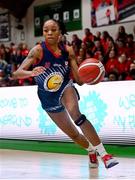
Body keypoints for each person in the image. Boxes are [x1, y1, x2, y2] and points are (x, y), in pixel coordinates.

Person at [12, 19, 119, 169]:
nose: (49, 33)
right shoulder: (38, 50)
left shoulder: (67, 51)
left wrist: (91, 72)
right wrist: (31, 72)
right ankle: (90, 150)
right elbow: (16, 73)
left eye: (53, 29)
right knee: (74, 135)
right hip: (48, 98)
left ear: (60, 32)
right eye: (45, 30)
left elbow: (79, 82)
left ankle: (105, 155)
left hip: (65, 87)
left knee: (77, 115)